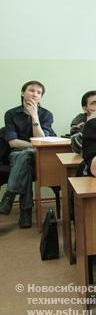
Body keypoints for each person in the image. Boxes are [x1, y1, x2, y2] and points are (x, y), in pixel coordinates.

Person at [0, 81, 56, 228]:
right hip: (17, 155)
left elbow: (41, 140)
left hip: (38, 156)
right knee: (25, 158)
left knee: (26, 158)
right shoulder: (11, 114)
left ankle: (10, 195)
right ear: (22, 93)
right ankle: (25, 211)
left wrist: (34, 116)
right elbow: (13, 143)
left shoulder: (46, 115)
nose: (35, 94)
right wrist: (34, 145)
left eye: (39, 92)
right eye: (31, 90)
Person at [69, 90, 96, 154]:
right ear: (85, 109)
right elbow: (76, 148)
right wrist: (89, 123)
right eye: (94, 103)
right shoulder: (79, 121)